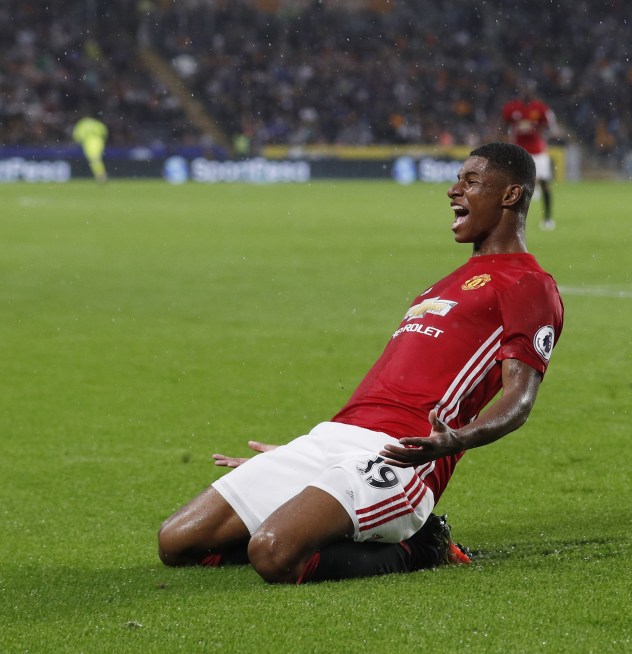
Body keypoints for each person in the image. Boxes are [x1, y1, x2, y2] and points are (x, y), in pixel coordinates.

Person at [157, 142, 565, 585]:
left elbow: (519, 398)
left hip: (403, 452)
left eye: (470, 181)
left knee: (274, 555)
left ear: (509, 195)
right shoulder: (440, 286)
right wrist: (297, 455)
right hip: (332, 437)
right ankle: (319, 510)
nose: (453, 190)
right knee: (177, 543)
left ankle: (421, 545)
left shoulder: (528, 284)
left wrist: (454, 441)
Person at [502, 84, 559, 230]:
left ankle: (547, 218)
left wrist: (535, 129)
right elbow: (503, 124)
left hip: (537, 151)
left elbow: (549, 126)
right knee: (513, 186)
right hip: (519, 151)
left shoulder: (540, 108)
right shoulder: (512, 108)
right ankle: (511, 221)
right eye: (524, 90)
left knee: (545, 183)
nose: (527, 93)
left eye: (529, 91)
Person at [72, 115, 109, 183]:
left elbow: (77, 136)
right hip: (98, 141)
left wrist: (78, 141)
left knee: (93, 159)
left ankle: (101, 175)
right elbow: (104, 131)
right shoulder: (96, 122)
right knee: (96, 158)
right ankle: (100, 174)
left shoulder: (82, 123)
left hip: (88, 142)